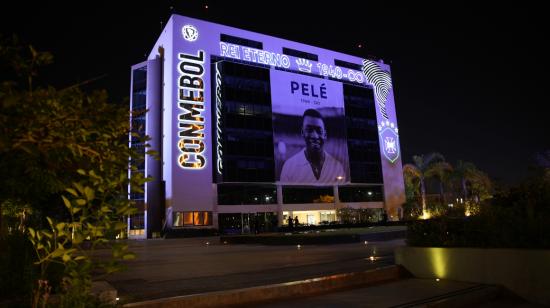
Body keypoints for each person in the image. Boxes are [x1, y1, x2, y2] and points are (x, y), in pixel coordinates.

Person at [280, 109, 345, 183]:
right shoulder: (289, 166)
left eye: (319, 131)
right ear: (302, 132)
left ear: (325, 135)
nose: (315, 136)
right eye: (309, 130)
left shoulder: (337, 167)